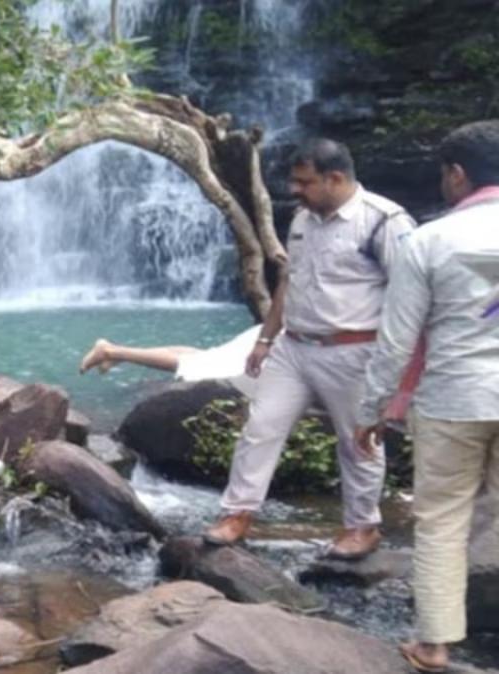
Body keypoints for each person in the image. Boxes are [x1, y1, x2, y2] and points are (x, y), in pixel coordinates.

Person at [202, 138, 416, 560]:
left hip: (353, 351)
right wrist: (266, 338)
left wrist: (396, 368)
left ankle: (362, 526)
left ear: (335, 178)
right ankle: (237, 513)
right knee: (260, 428)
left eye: (304, 182)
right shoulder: (303, 218)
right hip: (294, 348)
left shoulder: (385, 222)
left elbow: (410, 296)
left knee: (357, 441)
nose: (294, 190)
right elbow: (290, 280)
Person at [355, 120, 499, 673]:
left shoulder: (428, 240)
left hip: (453, 400)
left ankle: (434, 645)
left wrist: (371, 411)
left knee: (442, 522)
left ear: (457, 175)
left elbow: (396, 341)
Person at [80, 325, 262, 394]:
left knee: (207, 357)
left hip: (269, 332)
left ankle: (117, 353)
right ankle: (111, 352)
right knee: (200, 364)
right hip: (273, 336)